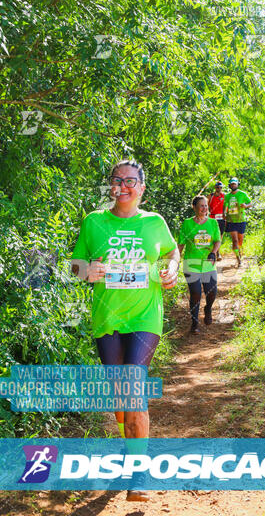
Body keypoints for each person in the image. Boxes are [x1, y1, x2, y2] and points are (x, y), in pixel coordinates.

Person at [70, 160, 179, 501]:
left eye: (131, 180)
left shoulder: (154, 222)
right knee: (120, 395)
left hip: (145, 317)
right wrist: (88, 271)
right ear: (111, 186)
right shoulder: (94, 222)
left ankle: (139, 472)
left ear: (142, 187)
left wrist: (171, 269)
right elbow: (75, 265)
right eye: (118, 180)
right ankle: (128, 438)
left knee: (133, 388)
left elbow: (172, 251)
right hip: (107, 319)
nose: (124, 185)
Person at [178, 195, 221, 334]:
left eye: (206, 206)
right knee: (195, 293)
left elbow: (217, 240)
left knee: (212, 292)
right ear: (194, 207)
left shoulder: (213, 223)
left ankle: (208, 309)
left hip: (208, 263)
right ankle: (194, 323)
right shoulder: (187, 223)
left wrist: (214, 252)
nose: (204, 208)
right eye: (201, 206)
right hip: (191, 263)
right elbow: (181, 244)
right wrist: (175, 261)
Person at [223, 177, 252, 266]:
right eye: (231, 184)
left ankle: (238, 252)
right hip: (231, 220)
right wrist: (224, 213)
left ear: (237, 184)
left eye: (234, 184)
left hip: (241, 220)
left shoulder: (242, 194)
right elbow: (225, 206)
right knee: (235, 241)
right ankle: (238, 259)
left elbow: (250, 203)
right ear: (230, 185)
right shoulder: (227, 196)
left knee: (240, 241)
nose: (233, 185)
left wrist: (245, 205)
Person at [208, 181, 225, 260]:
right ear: (215, 187)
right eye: (218, 187)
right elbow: (206, 206)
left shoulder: (224, 196)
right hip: (212, 218)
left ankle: (218, 253)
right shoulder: (211, 196)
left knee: (220, 236)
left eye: (221, 187)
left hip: (221, 218)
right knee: (212, 235)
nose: (219, 189)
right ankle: (212, 252)